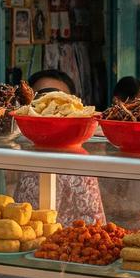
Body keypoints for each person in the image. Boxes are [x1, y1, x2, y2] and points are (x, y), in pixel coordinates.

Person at [15, 70, 105, 224]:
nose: (52, 107)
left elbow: (95, 224)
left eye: (60, 101)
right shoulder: (19, 147)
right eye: (43, 100)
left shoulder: (78, 162)